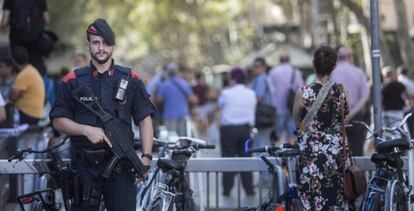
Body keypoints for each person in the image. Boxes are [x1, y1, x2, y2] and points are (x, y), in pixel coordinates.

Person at [49, 18, 155, 211]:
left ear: (113, 45)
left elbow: (145, 119)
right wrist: (85, 130)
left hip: (122, 168)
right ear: (87, 44)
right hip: (84, 168)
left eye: (106, 43)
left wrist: (146, 157)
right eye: (96, 42)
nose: (101, 48)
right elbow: (58, 121)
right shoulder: (73, 81)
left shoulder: (130, 79)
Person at [293, 45, 349, 210]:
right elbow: (344, 116)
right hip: (335, 154)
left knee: (312, 199)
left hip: (311, 155)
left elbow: (297, 121)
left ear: (314, 65)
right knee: (334, 198)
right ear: (334, 66)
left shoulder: (303, 92)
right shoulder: (340, 91)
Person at [218, 67, 256, 196]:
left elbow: (220, 106)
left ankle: (227, 190)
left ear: (232, 78)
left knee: (228, 159)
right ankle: (249, 189)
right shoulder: (251, 93)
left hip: (229, 131)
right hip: (246, 130)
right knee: (246, 159)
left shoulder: (226, 93)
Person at [331, 46, 370, 156]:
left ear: (337, 57)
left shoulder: (331, 73)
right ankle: (358, 171)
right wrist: (351, 113)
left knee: (336, 151)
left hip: (335, 116)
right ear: (350, 57)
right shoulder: (358, 72)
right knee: (357, 151)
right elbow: (365, 95)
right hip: (355, 117)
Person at [1, 0, 50, 75]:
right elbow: (47, 19)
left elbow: (4, 22)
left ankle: (20, 83)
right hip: (36, 41)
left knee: (18, 67)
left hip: (17, 41)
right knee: (37, 68)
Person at [268, 53, 304, 144]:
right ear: (289, 60)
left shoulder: (273, 72)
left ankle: (275, 153)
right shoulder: (295, 72)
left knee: (277, 134)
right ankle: (289, 154)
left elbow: (270, 91)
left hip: (277, 107)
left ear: (279, 60)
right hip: (291, 107)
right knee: (292, 134)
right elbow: (301, 88)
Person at [156, 63, 198, 136]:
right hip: (183, 114)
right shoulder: (184, 83)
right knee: (183, 140)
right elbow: (191, 98)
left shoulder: (164, 85)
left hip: (169, 115)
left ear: (168, 72)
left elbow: (159, 100)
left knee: (172, 140)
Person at [10, 46, 45, 125]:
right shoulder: (30, 70)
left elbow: (13, 96)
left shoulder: (24, 74)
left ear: (13, 60)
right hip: (35, 113)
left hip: (28, 114)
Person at [251, 57, 273, 148]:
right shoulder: (266, 77)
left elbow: (258, 97)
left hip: (263, 114)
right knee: (264, 140)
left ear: (264, 67)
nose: (255, 68)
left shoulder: (261, 79)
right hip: (267, 113)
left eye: (257, 66)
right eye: (254, 66)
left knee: (261, 142)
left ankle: (261, 161)